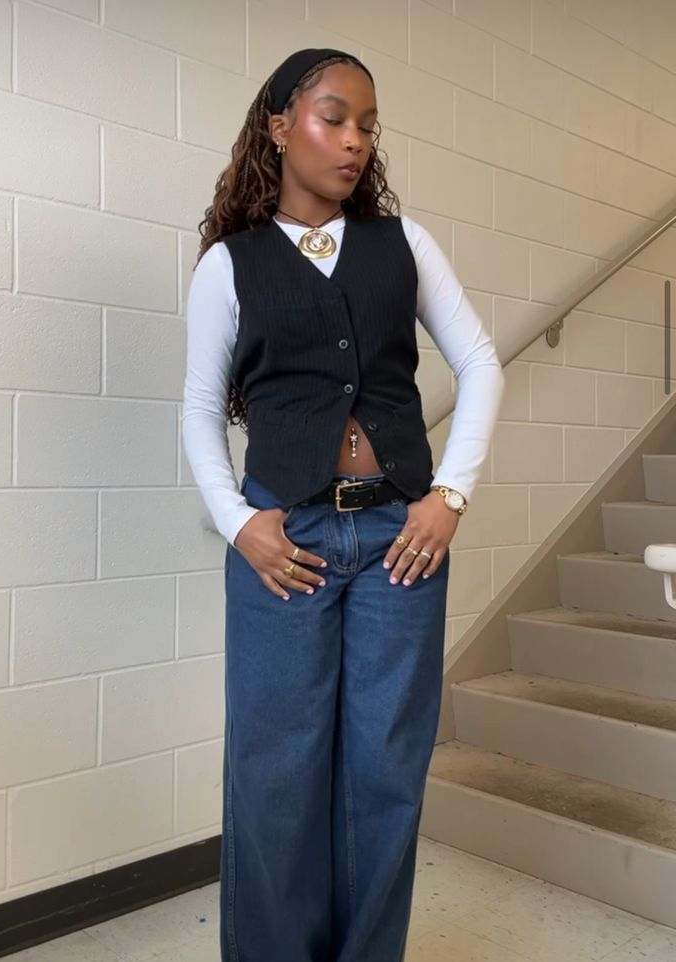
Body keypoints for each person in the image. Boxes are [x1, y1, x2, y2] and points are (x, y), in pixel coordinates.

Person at [181, 47, 504, 962]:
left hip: (403, 537)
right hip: (287, 540)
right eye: (334, 118)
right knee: (276, 770)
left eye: (367, 125)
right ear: (281, 126)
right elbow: (198, 409)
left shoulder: (404, 245)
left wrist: (450, 496)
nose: (355, 140)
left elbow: (481, 364)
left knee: (385, 769)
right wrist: (238, 521)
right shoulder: (230, 265)